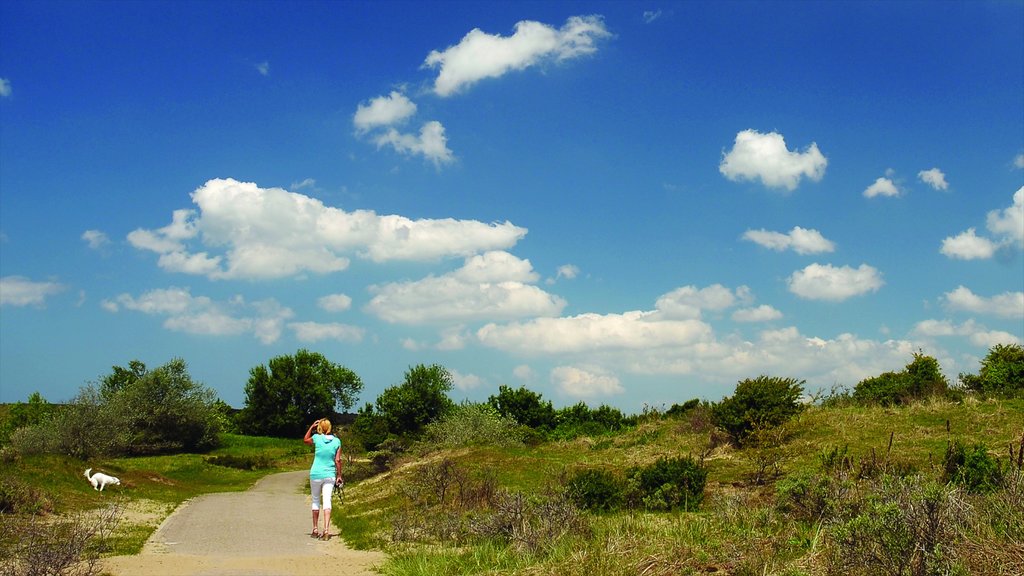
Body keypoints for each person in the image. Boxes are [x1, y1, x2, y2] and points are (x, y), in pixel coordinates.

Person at [304, 418, 342, 540]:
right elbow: (337, 460)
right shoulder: (337, 442)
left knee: (315, 500)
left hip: (315, 473)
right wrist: (339, 475)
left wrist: (311, 427)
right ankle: (326, 530)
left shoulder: (316, 438)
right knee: (327, 501)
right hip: (329, 474)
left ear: (320, 427)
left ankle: (315, 529)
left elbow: (305, 440)